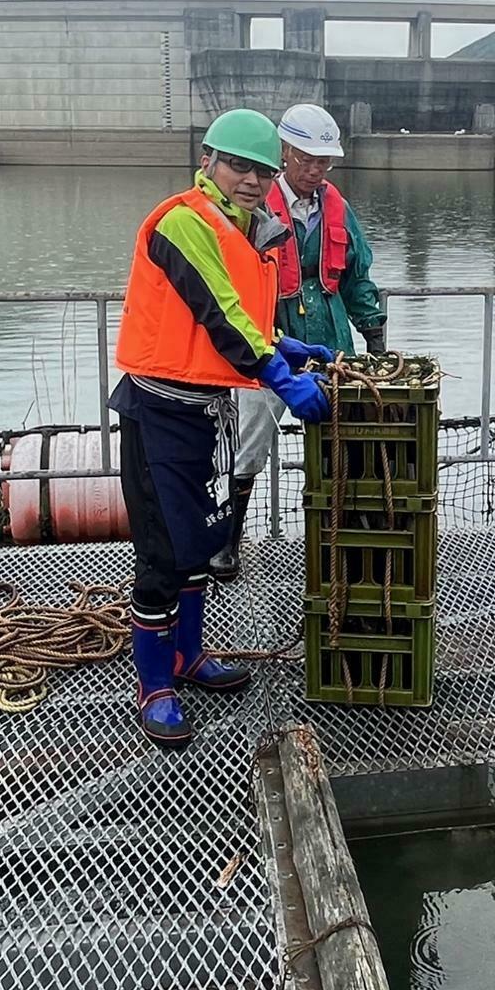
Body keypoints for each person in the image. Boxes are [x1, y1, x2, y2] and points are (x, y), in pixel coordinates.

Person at [111, 108, 333, 745]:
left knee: (203, 540)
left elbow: (244, 314)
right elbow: (217, 312)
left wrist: (285, 346)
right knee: (160, 550)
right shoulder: (183, 221)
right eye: (239, 166)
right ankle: (154, 684)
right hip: (158, 411)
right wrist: (276, 373)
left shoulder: (242, 230)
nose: (251, 180)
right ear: (208, 160)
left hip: (208, 409)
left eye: (262, 172)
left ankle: (189, 656)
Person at [212, 102, 387, 581]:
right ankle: (228, 540)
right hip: (269, 339)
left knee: (343, 441)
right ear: (284, 152)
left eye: (324, 161)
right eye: (306, 158)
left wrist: (374, 333)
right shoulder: (253, 205)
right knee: (249, 442)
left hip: (330, 339)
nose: (315, 169)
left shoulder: (337, 208)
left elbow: (357, 275)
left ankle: (344, 534)